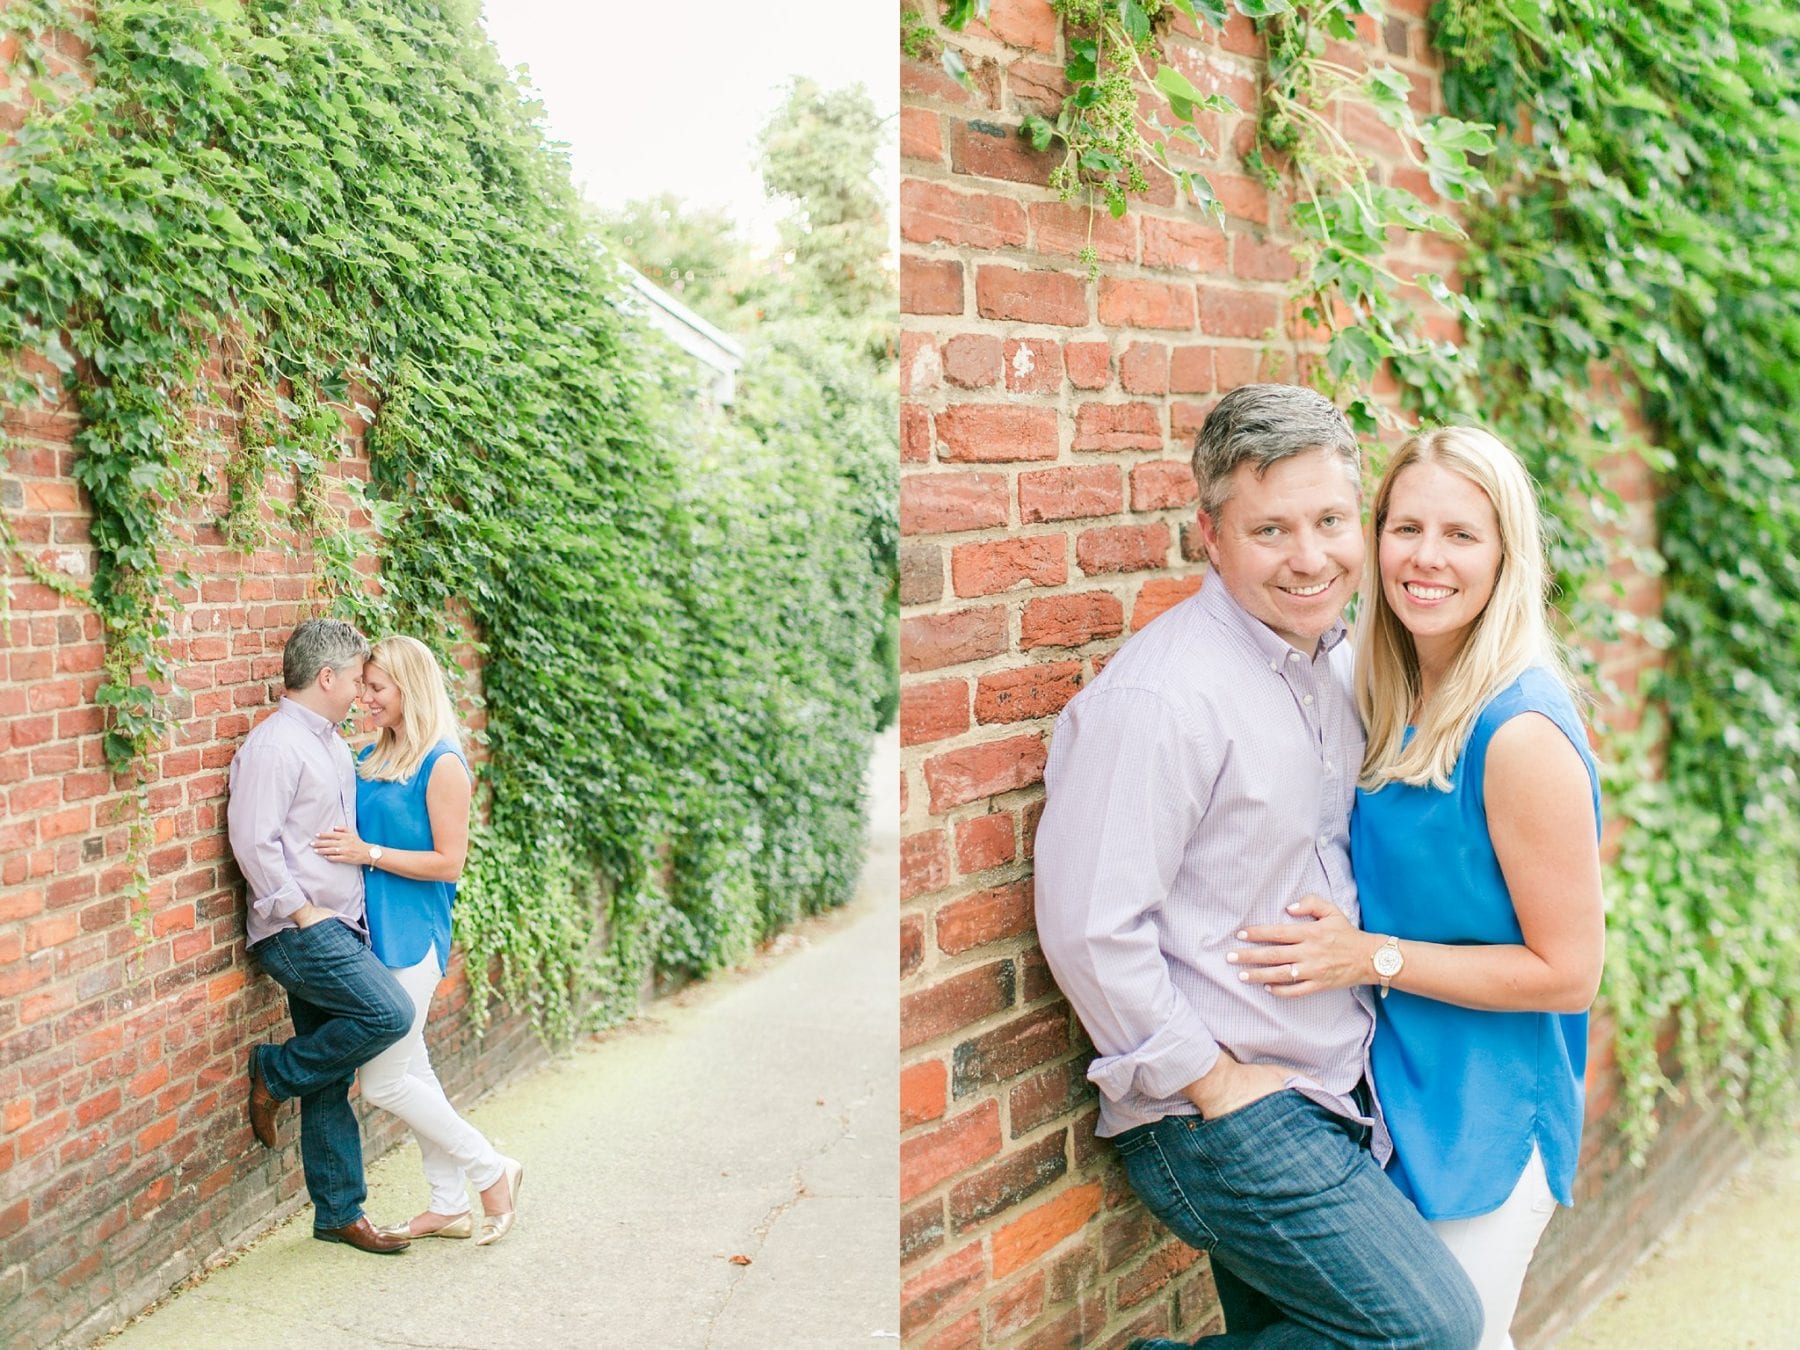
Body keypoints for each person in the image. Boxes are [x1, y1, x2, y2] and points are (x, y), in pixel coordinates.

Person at [1034, 384, 1483, 1349]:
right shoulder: (1163, 700)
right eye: (1271, 529)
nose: (1310, 556)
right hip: (1223, 1108)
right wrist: (1210, 1081)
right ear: (1212, 535)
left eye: (1329, 520)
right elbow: (1089, 926)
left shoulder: (1331, 662)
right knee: (1429, 1331)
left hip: (1329, 1086)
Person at [1227, 426, 1604, 1349]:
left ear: (1506, 557)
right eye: (1406, 528)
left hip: (1486, 1111)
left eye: (1462, 536)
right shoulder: (1380, 686)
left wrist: (1371, 957)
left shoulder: (1518, 733)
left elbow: (1570, 973)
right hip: (1377, 1099)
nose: (1426, 558)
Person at [311, 634, 523, 1246]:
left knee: (382, 1082)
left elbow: (448, 863)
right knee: (415, 1070)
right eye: (366, 687)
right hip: (369, 940)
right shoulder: (373, 754)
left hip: (412, 942)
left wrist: (367, 853)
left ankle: (490, 1169)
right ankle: (448, 1203)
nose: (366, 699)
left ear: (410, 689)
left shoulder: (443, 763)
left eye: (377, 689)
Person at [228, 617, 415, 1255]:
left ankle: (338, 1212)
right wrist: (301, 912)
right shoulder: (275, 746)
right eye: (357, 680)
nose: (363, 692)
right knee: (389, 1011)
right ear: (326, 677)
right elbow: (253, 841)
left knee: (329, 1069)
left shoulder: (333, 744)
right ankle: (275, 1070)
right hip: (298, 929)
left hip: (341, 922)